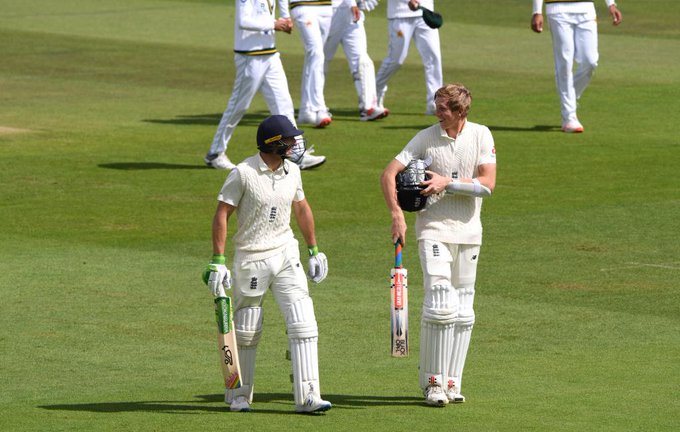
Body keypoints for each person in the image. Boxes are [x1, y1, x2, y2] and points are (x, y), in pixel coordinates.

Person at [203, 114, 332, 413]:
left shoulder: (293, 171)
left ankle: (308, 396)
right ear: (272, 143)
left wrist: (314, 249)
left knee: (303, 322)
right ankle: (238, 395)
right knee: (247, 329)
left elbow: (301, 208)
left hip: (286, 253)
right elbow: (222, 214)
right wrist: (218, 261)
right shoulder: (243, 173)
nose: (294, 144)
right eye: (288, 140)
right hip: (252, 257)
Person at [380, 84, 496, 406]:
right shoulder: (425, 138)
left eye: (443, 108)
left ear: (460, 111)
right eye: (436, 105)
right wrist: (396, 215)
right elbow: (389, 174)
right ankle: (432, 383)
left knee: (463, 312)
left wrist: (448, 183)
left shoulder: (481, 135)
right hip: (433, 230)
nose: (436, 112)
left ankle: (452, 382)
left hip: (470, 233)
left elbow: (488, 184)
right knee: (441, 302)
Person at [204, 0, 326, 170]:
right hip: (250, 56)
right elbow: (244, 21)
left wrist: (285, 18)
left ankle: (296, 154)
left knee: (284, 105)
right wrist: (274, 24)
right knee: (238, 106)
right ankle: (215, 153)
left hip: (270, 54)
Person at [531, 0, 622, 133]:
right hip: (557, 9)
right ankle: (569, 118)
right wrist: (537, 11)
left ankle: (570, 98)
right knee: (564, 64)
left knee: (590, 61)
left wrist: (611, 4)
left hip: (586, 8)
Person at [323, 0, 389, 121]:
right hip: (330, 13)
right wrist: (352, 3)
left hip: (352, 17)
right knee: (320, 61)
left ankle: (368, 107)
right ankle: (314, 107)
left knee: (362, 60)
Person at [375, 0, 443, 115]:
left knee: (433, 57)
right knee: (396, 60)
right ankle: (373, 97)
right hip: (400, 14)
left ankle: (435, 103)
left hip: (425, 12)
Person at [290, 0, 335, 128]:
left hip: (325, 8)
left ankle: (305, 110)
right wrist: (284, 15)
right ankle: (319, 108)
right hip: (302, 6)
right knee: (316, 53)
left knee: (314, 57)